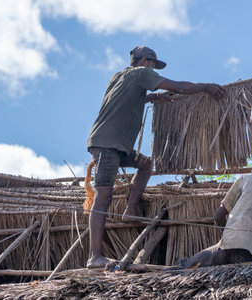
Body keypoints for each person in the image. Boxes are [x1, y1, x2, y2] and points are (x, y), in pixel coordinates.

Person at [86, 46, 226, 268]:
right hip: (107, 144)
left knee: (146, 165)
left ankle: (130, 211)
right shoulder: (142, 73)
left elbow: (127, 99)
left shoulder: (119, 76)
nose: (153, 70)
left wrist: (153, 97)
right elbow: (178, 87)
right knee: (103, 196)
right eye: (153, 65)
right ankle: (94, 257)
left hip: (117, 145)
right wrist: (205, 87)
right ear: (145, 62)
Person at [177, 160, 252, 268]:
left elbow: (218, 216)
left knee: (193, 262)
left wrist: (228, 235)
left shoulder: (246, 178)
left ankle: (178, 267)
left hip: (232, 247)